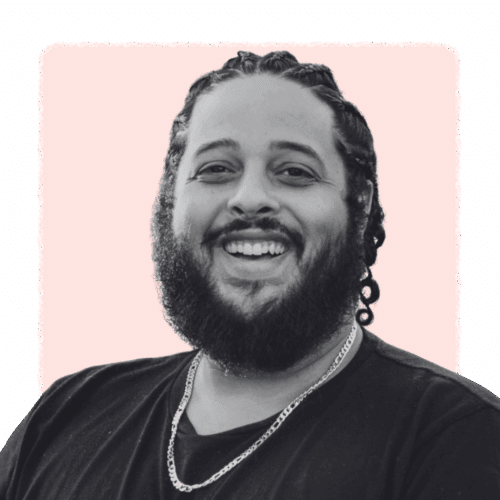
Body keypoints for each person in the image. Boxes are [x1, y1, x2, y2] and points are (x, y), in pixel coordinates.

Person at [1, 50, 499, 499]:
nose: (250, 198)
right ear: (173, 198)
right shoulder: (65, 416)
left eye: (295, 172)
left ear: (360, 203)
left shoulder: (457, 437)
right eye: (216, 169)